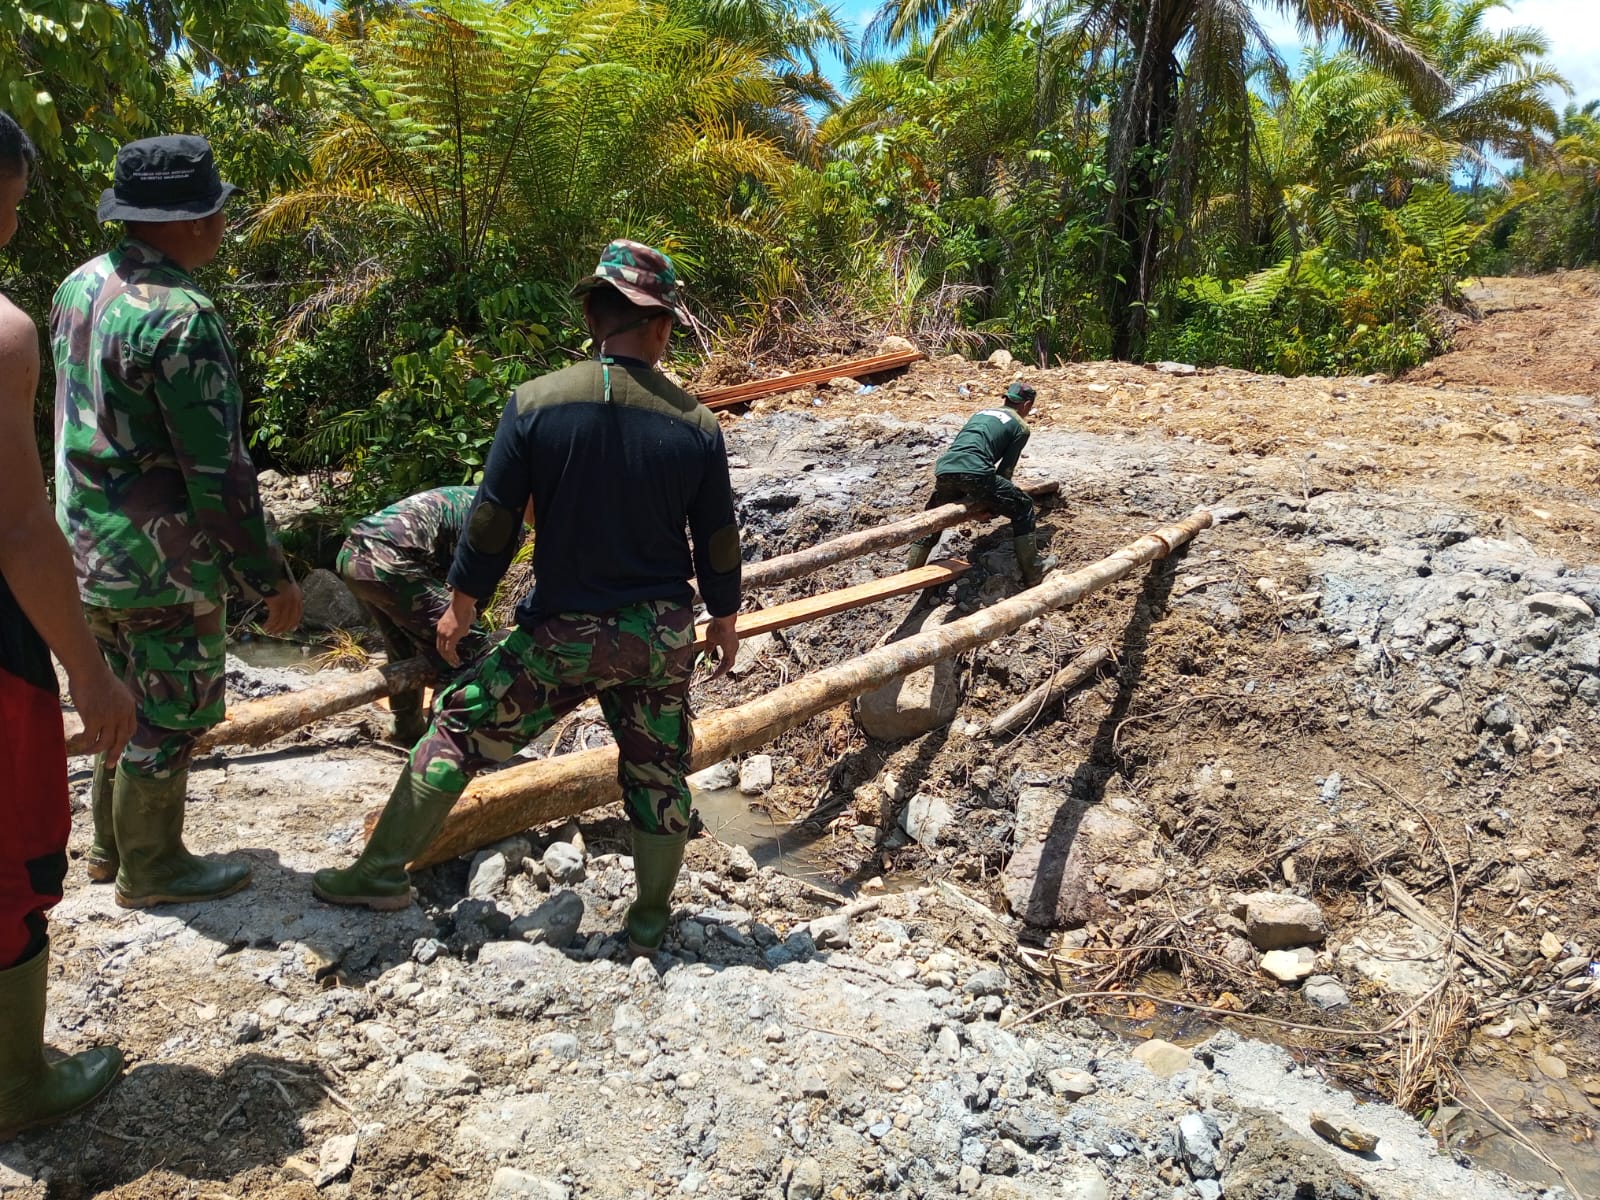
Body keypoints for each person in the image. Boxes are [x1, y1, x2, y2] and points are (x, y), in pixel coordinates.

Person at [314, 240, 741, 959]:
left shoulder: (536, 403)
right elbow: (718, 536)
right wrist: (724, 617)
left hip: (562, 634)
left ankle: (379, 872)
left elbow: (493, 518)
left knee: (457, 728)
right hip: (658, 636)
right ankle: (647, 924)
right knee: (658, 769)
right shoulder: (696, 423)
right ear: (660, 326)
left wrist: (462, 605)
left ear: (592, 317)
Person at [53, 134, 303, 908]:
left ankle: (108, 849)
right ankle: (152, 867)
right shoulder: (182, 317)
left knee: (119, 698)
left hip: (79, 550)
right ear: (193, 221)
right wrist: (268, 577)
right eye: (217, 211)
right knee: (169, 714)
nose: (223, 225)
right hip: (159, 561)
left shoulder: (78, 285)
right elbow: (218, 470)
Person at [0, 110, 130, 1139]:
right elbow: (16, 526)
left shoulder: (69, 297)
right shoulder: (4, 334)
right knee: (11, 859)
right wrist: (87, 670)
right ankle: (15, 1086)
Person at [336, 486, 528, 743]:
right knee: (465, 650)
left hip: (352, 555)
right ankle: (440, 744)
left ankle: (406, 728)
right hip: (390, 561)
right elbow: (474, 586)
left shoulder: (479, 498)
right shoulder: (508, 524)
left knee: (403, 644)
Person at [906, 380, 1055, 584]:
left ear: (1006, 399)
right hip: (976, 473)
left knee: (934, 516)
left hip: (945, 469)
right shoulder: (1020, 426)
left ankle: (910, 572)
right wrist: (993, 505)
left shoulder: (980, 413)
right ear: (1027, 405)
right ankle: (1034, 570)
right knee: (1023, 506)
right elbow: (1005, 471)